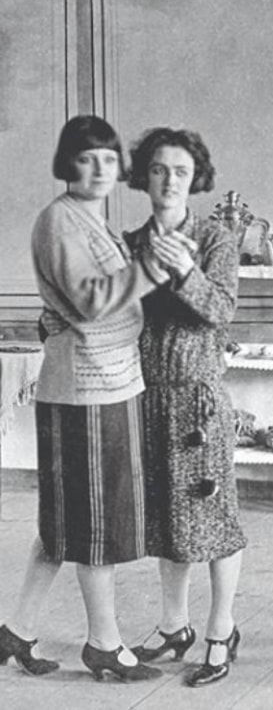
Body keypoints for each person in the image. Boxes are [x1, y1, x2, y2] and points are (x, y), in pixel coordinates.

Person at [0, 115, 168, 681]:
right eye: (86, 157)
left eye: (108, 158)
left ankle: (17, 629)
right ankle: (104, 644)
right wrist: (151, 269)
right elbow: (94, 302)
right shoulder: (59, 220)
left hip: (109, 381)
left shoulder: (93, 220)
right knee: (96, 523)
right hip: (84, 390)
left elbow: (98, 305)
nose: (99, 168)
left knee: (65, 524)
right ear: (66, 164)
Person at [123, 127, 247, 688]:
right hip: (148, 393)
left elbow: (220, 309)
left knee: (215, 519)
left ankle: (222, 629)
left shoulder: (215, 237)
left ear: (195, 178)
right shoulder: (130, 241)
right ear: (143, 177)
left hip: (199, 397)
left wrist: (184, 271)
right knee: (166, 518)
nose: (169, 181)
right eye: (158, 170)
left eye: (180, 171)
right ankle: (174, 625)